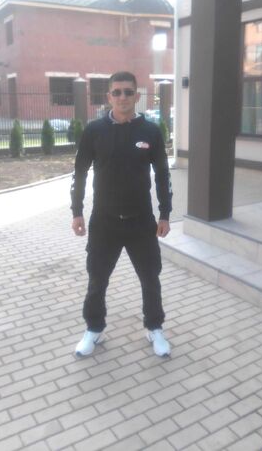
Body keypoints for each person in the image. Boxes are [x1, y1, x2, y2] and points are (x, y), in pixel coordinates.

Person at [71, 71, 173, 357]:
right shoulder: (94, 131)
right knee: (97, 280)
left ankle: (154, 327)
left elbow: (163, 175)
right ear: (109, 96)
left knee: (150, 278)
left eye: (128, 92)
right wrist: (77, 212)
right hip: (104, 223)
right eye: (117, 92)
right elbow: (79, 173)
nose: (122, 97)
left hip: (141, 222)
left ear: (137, 96)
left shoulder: (150, 131)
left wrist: (165, 213)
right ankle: (94, 328)